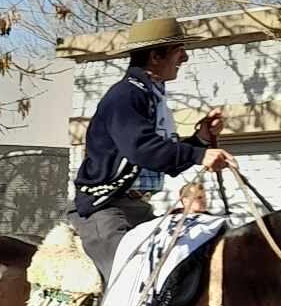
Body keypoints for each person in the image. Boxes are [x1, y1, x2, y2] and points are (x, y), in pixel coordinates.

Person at [69, 16, 235, 282]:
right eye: (179, 51)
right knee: (134, 280)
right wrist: (200, 155)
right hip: (105, 209)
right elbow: (141, 149)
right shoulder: (125, 95)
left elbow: (159, 153)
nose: (185, 58)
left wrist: (200, 139)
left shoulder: (151, 95)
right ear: (156, 56)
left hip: (140, 208)